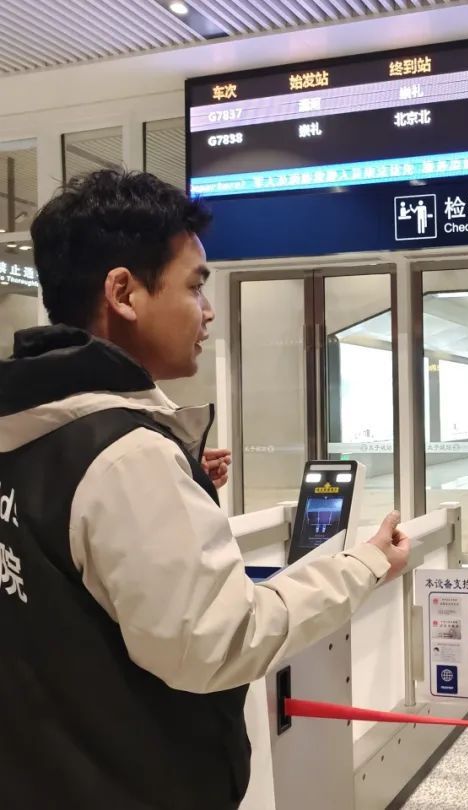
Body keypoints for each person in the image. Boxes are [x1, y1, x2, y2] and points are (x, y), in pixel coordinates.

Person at [0, 169, 411, 809]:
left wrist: (178, 479)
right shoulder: (126, 457)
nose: (208, 311)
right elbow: (216, 642)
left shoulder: (27, 426)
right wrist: (363, 565)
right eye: (194, 286)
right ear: (123, 292)